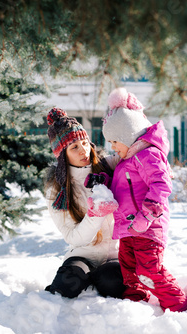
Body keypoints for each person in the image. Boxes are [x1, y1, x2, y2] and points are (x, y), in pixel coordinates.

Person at [100, 87, 187, 312]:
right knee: (129, 271)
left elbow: (161, 186)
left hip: (147, 229)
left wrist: (145, 218)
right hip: (129, 229)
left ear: (127, 136)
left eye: (114, 142)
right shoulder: (127, 159)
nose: (112, 148)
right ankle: (135, 306)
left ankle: (177, 307)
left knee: (149, 270)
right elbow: (119, 182)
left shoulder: (147, 155)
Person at [44, 107, 126, 299]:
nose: (84, 151)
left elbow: (135, 151)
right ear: (62, 155)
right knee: (66, 285)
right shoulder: (57, 190)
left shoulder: (108, 167)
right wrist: (95, 215)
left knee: (113, 283)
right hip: (83, 254)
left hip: (113, 254)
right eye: (74, 147)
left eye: (84, 143)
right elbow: (73, 237)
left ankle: (98, 280)